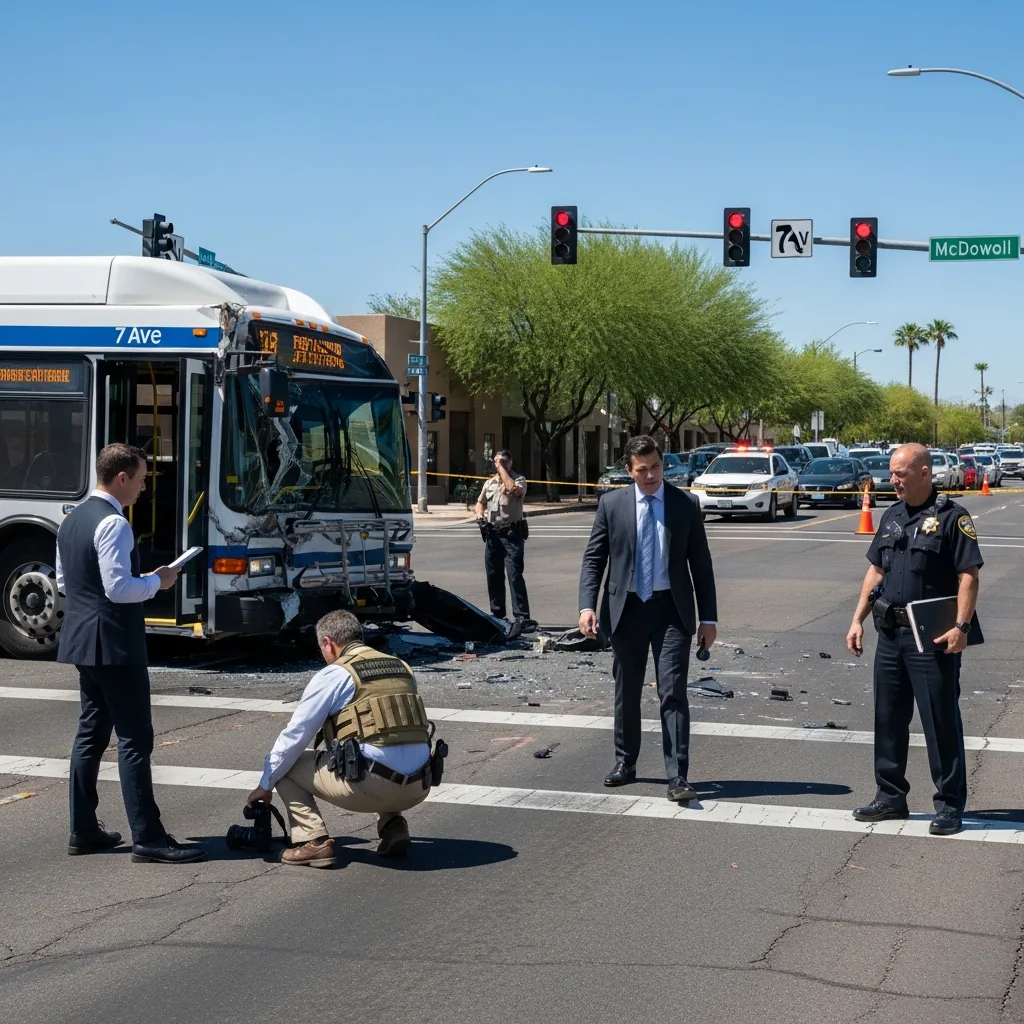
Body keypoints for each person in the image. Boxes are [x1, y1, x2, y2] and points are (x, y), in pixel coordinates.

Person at [57, 442, 205, 863]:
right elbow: (118, 589)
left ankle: (83, 829)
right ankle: (149, 837)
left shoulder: (72, 519)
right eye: (141, 478)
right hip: (116, 643)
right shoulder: (114, 524)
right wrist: (158, 580)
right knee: (135, 741)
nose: (143, 487)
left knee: (90, 735)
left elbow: (67, 583)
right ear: (121, 477)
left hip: (82, 639)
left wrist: (134, 581)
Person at [846, 442, 983, 836]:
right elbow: (875, 572)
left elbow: (969, 575)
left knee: (940, 720)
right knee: (888, 717)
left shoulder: (952, 518)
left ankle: (950, 804)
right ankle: (890, 796)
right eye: (891, 473)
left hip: (932, 638)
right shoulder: (890, 516)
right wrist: (856, 620)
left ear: (924, 472)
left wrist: (961, 628)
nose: (894, 480)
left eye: (900, 474)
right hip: (889, 632)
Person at [577, 434, 718, 802]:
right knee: (627, 690)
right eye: (643, 470)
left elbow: (700, 565)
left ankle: (678, 775)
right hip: (626, 610)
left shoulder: (685, 503)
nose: (652, 475)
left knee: (672, 691)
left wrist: (709, 619)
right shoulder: (611, 504)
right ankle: (625, 762)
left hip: (672, 610)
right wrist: (586, 606)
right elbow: (594, 559)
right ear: (629, 471)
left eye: (656, 467)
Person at [246, 610, 438, 867]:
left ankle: (312, 842)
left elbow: (295, 736)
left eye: (321, 648)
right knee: (386, 741)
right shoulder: (401, 667)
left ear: (328, 643)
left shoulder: (335, 675)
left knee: (286, 765)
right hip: (419, 785)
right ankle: (394, 826)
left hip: (372, 787)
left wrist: (265, 784)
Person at [475, 449, 537, 632]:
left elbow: (511, 489)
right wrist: (479, 515)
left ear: (510, 462)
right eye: (497, 461)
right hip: (493, 534)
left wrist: (502, 468)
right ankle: (497, 616)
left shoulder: (519, 480)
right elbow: (480, 502)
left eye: (503, 461)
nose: (499, 464)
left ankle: (522, 618)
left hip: (512, 534)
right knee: (493, 575)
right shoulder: (490, 483)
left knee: (514, 575)